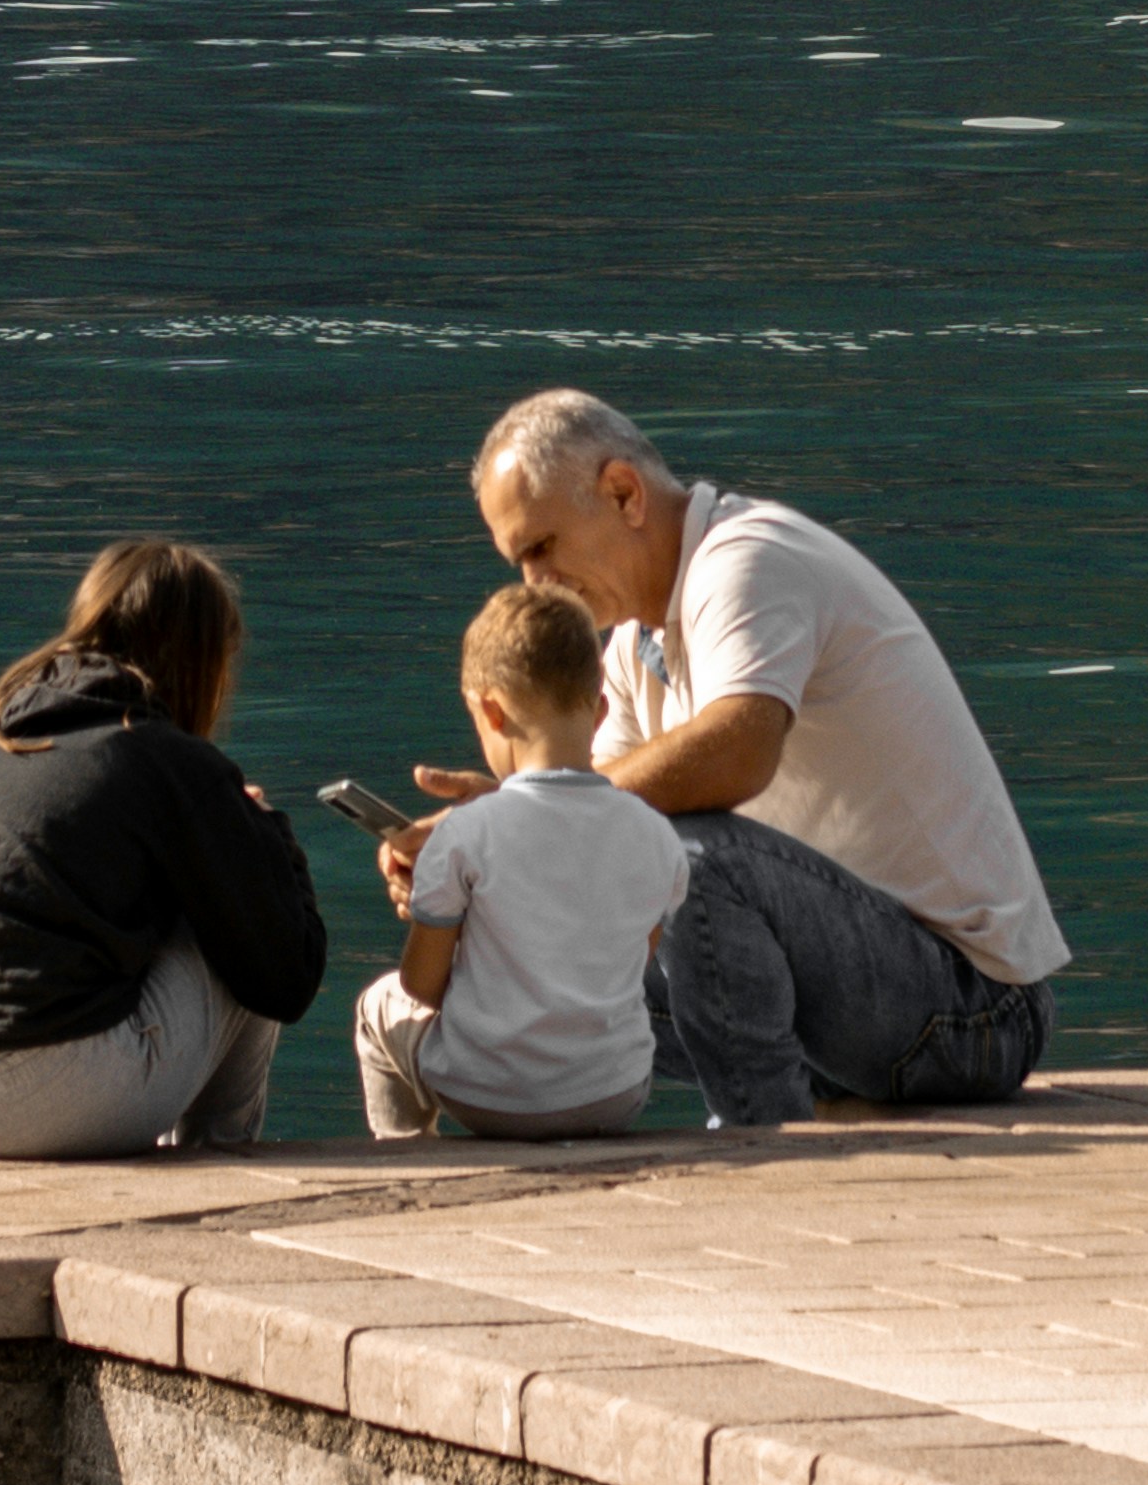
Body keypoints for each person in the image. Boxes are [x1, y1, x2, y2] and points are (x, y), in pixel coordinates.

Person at [389, 386, 1066, 1135]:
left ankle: (755, 1144)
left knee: (693, 855)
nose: (534, 584)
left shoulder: (748, 560)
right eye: (518, 562)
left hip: (975, 1013)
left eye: (541, 548)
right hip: (863, 1007)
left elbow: (738, 751)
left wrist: (526, 815)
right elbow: (593, 834)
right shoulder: (621, 653)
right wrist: (482, 857)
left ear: (623, 493)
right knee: (540, 950)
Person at [0, 534, 326, 1161]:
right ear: (204, 659)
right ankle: (220, 1157)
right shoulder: (165, 758)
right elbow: (285, 977)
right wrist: (258, 831)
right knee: (238, 914)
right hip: (42, 1098)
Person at [352, 581, 690, 1143]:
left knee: (377, 1007)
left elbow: (422, 986)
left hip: (489, 1097)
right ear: (602, 709)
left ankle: (405, 1154)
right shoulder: (656, 836)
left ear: (490, 709)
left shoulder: (464, 834)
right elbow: (633, 963)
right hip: (615, 1093)